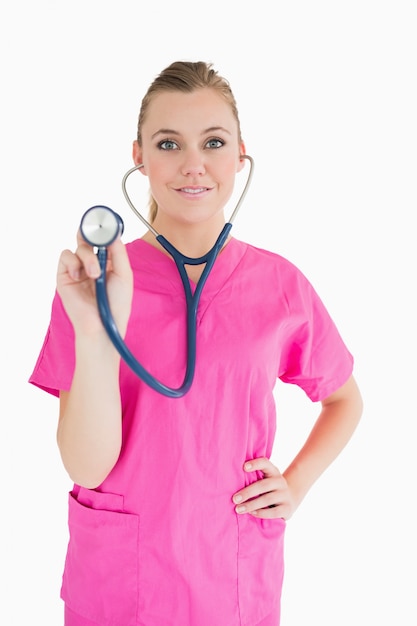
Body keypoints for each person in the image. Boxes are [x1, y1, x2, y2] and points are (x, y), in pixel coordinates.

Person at [29, 60, 363, 626]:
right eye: (168, 143)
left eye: (213, 142)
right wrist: (94, 333)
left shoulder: (280, 285)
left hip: (230, 573)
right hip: (119, 581)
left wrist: (297, 485)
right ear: (138, 155)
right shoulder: (94, 286)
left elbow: (344, 399)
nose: (193, 165)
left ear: (240, 155)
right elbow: (86, 467)